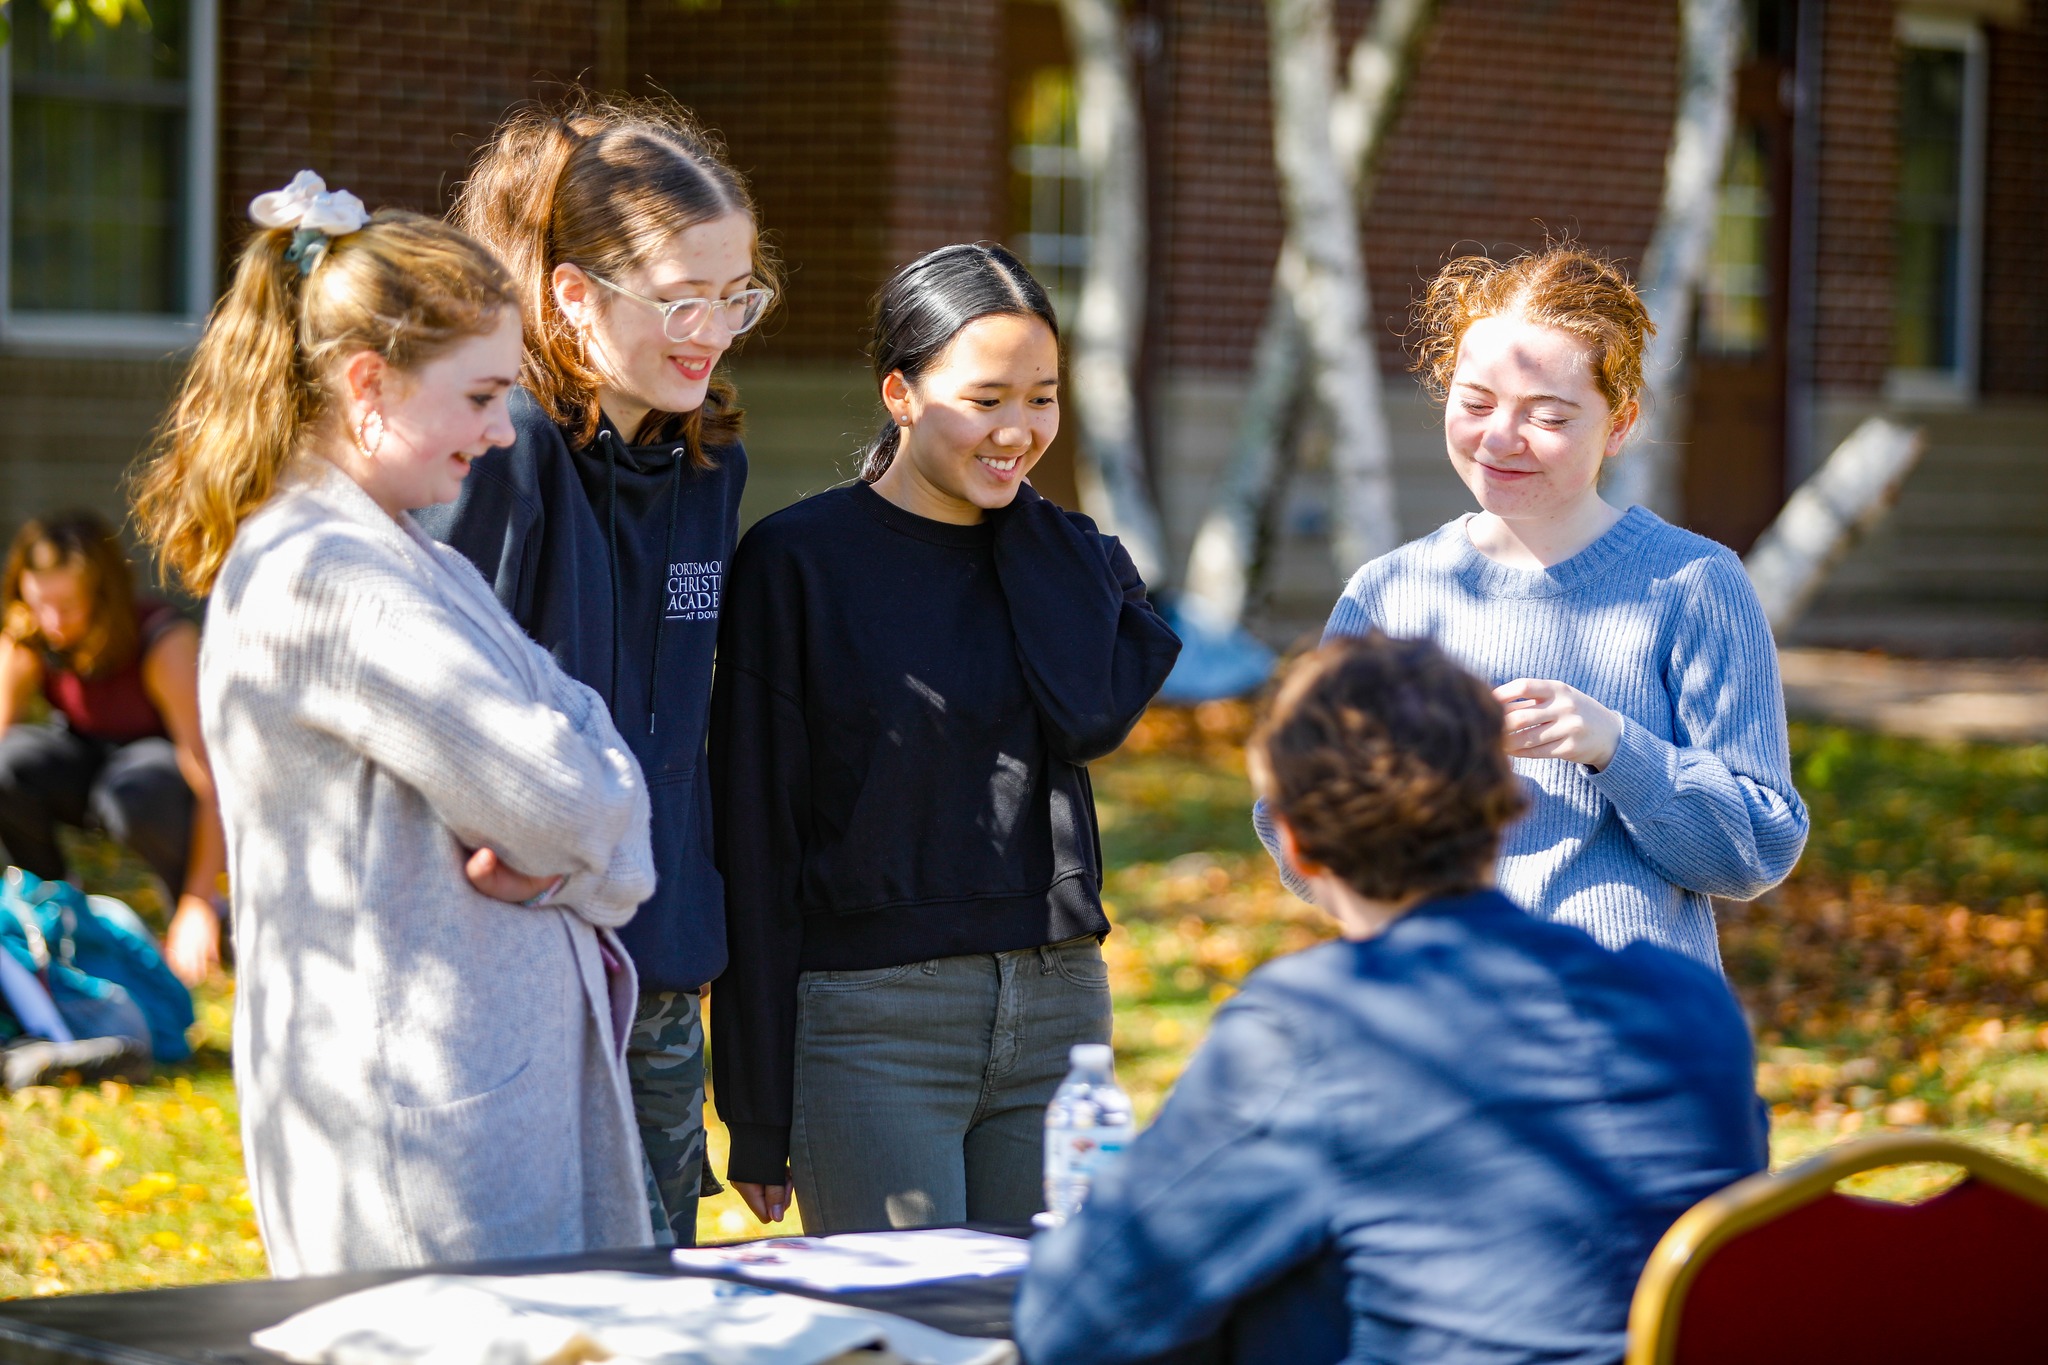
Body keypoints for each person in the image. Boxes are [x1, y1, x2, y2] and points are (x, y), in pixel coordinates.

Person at [132, 172, 656, 1275]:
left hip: (459, 1100)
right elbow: (570, 795)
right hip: (423, 1137)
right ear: (368, 383)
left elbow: (582, 756)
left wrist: (578, 844)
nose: (500, 437)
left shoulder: (408, 556)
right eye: (477, 398)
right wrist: (586, 837)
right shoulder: (335, 578)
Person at [1017, 633, 1769, 1365]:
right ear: (1507, 806)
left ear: (1296, 844)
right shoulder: (1692, 1006)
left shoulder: (1312, 1028)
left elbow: (1071, 1322)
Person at [710, 243, 1181, 1234]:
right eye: (986, 399)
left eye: (1042, 398)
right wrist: (754, 1104)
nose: (1018, 432)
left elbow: (1091, 714)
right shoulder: (797, 565)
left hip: (1060, 1010)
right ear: (901, 393)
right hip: (871, 1024)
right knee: (910, 1339)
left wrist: (1031, 536)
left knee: (1050, 1334)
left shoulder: (1066, 557)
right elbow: (756, 837)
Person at [417, 93, 777, 1247]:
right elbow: (441, 721)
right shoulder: (500, 452)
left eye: (737, 297)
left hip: (660, 971)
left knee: (656, 1301)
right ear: (572, 295)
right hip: (516, 976)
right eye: (683, 297)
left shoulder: (707, 465)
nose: (711, 329)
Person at [1257, 245, 1807, 970]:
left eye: (1548, 415)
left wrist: (1616, 745)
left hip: (1627, 1031)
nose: (1501, 438)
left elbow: (1757, 850)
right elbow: (1297, 835)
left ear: (1619, 424)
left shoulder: (1695, 582)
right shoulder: (1387, 592)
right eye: (1476, 402)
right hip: (1439, 1025)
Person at [0, 512, 226, 985]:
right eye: (39, 603)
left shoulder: (163, 642)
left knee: (129, 795)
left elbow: (213, 780)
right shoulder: (32, 635)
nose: (52, 621)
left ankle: (203, 919)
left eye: (68, 605)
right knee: (8, 765)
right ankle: (54, 911)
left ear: (104, 597)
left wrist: (198, 903)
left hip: (154, 785)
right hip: (83, 769)